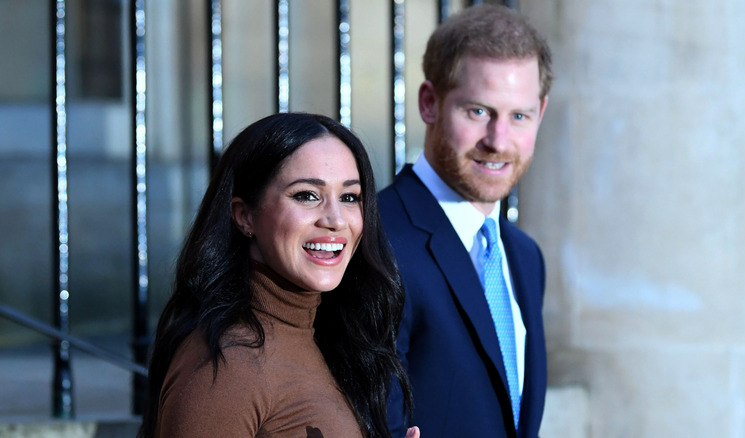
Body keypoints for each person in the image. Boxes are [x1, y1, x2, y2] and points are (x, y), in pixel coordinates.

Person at [138, 113, 419, 438]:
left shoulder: (328, 336)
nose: (335, 219)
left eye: (349, 197)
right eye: (306, 195)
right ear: (244, 216)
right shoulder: (228, 365)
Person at [379, 4, 552, 438]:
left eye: (519, 116)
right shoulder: (375, 239)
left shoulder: (525, 257)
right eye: (478, 111)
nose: (498, 141)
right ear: (429, 103)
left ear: (541, 113)